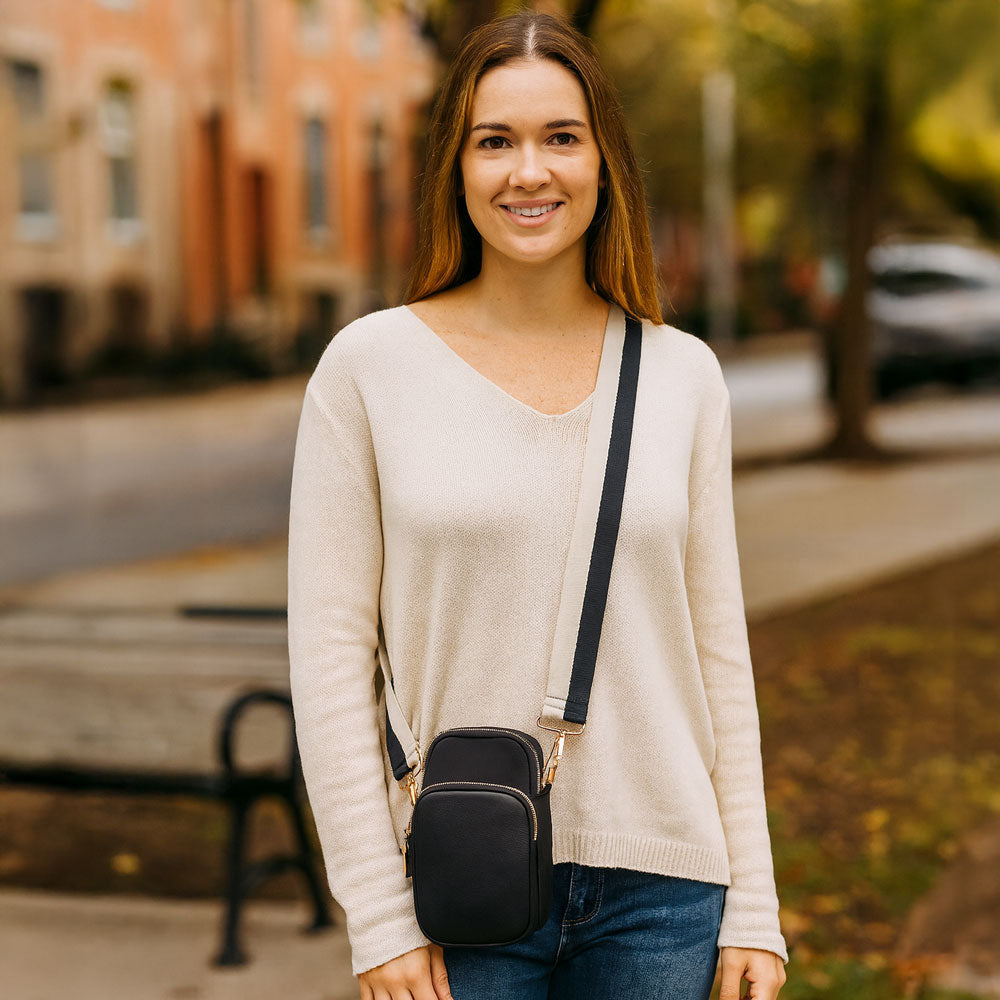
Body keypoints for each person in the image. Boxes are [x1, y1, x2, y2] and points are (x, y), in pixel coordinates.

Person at [287, 10, 788, 1000]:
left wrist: (755, 903)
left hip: (666, 890)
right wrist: (376, 912)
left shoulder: (681, 374)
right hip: (460, 884)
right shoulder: (371, 368)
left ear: (603, 163)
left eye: (560, 137)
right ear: (456, 167)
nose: (529, 171)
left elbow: (718, 652)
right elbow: (329, 657)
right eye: (494, 141)